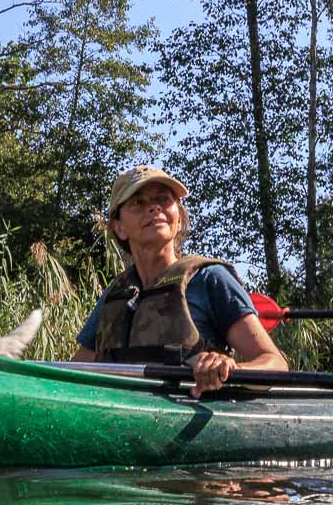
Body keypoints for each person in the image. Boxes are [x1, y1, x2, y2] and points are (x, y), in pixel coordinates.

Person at [71, 165, 288, 394]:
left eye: (163, 199)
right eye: (138, 202)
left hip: (187, 416)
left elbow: (276, 365)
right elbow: (72, 373)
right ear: (119, 228)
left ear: (179, 218)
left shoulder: (209, 279)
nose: (155, 208)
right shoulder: (115, 295)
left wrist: (230, 369)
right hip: (121, 420)